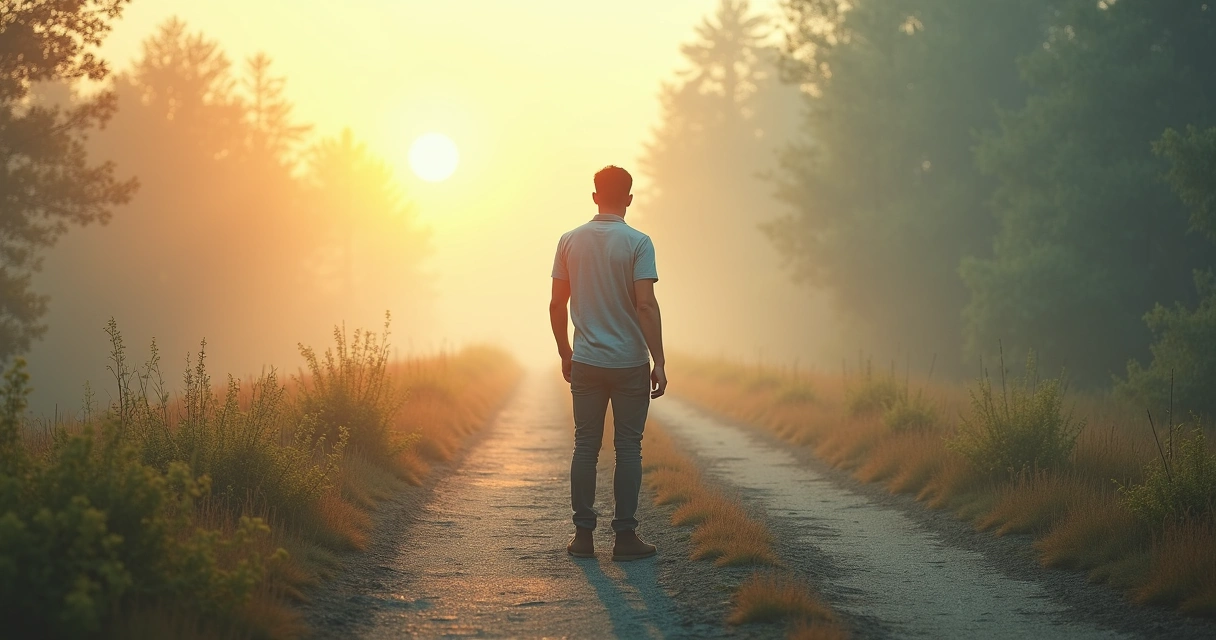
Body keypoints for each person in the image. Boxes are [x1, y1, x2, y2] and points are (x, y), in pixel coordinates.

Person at [549, 165, 667, 562]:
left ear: (595, 195)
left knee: (585, 446)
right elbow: (645, 305)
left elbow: (556, 304)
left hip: (586, 360)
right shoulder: (638, 242)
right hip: (630, 362)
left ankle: (583, 536)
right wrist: (660, 361)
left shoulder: (569, 241)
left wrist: (566, 352)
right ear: (629, 199)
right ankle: (625, 538)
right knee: (628, 448)